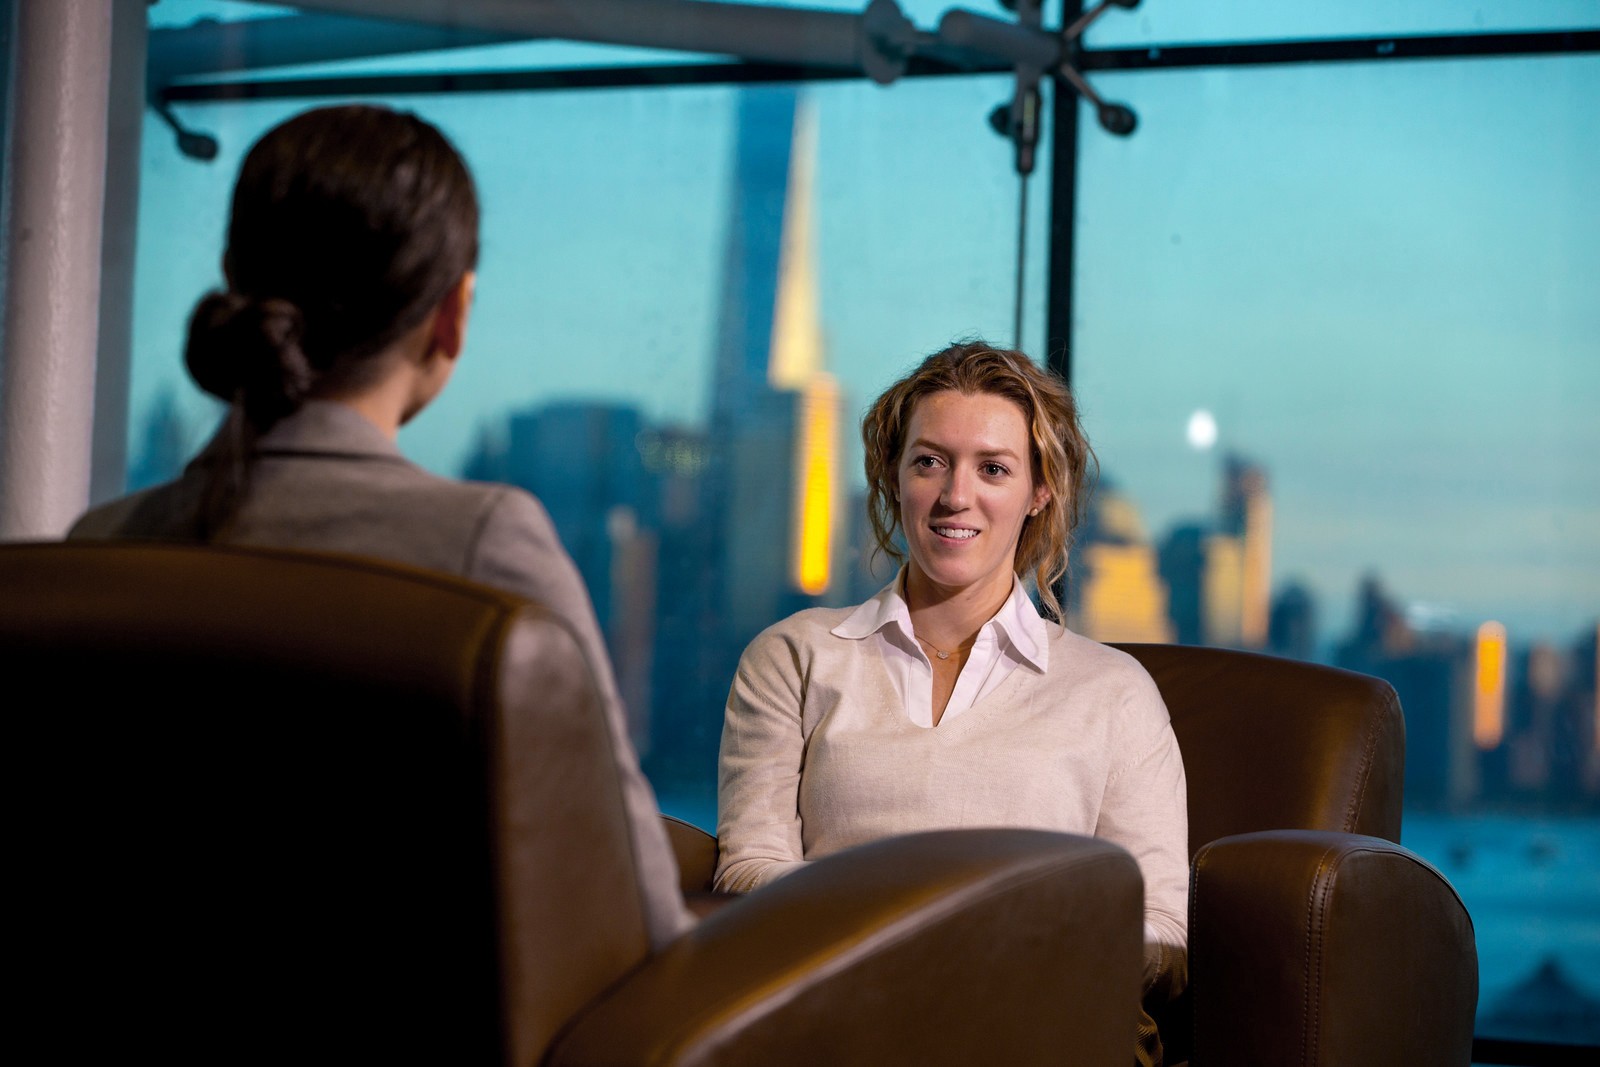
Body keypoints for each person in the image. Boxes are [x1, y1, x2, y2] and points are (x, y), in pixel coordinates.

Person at [69, 104, 692, 950]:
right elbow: (638, 912)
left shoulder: (98, 549)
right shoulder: (484, 545)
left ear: (233, 279)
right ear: (452, 315)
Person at [714, 340, 1188, 1057]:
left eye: (992, 468)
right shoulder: (794, 655)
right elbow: (750, 869)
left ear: (1039, 492)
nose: (955, 495)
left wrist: (1019, 952)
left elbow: (1163, 928)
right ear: (893, 475)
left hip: (1043, 1017)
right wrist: (896, 954)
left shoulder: (1115, 694)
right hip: (841, 1008)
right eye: (930, 461)